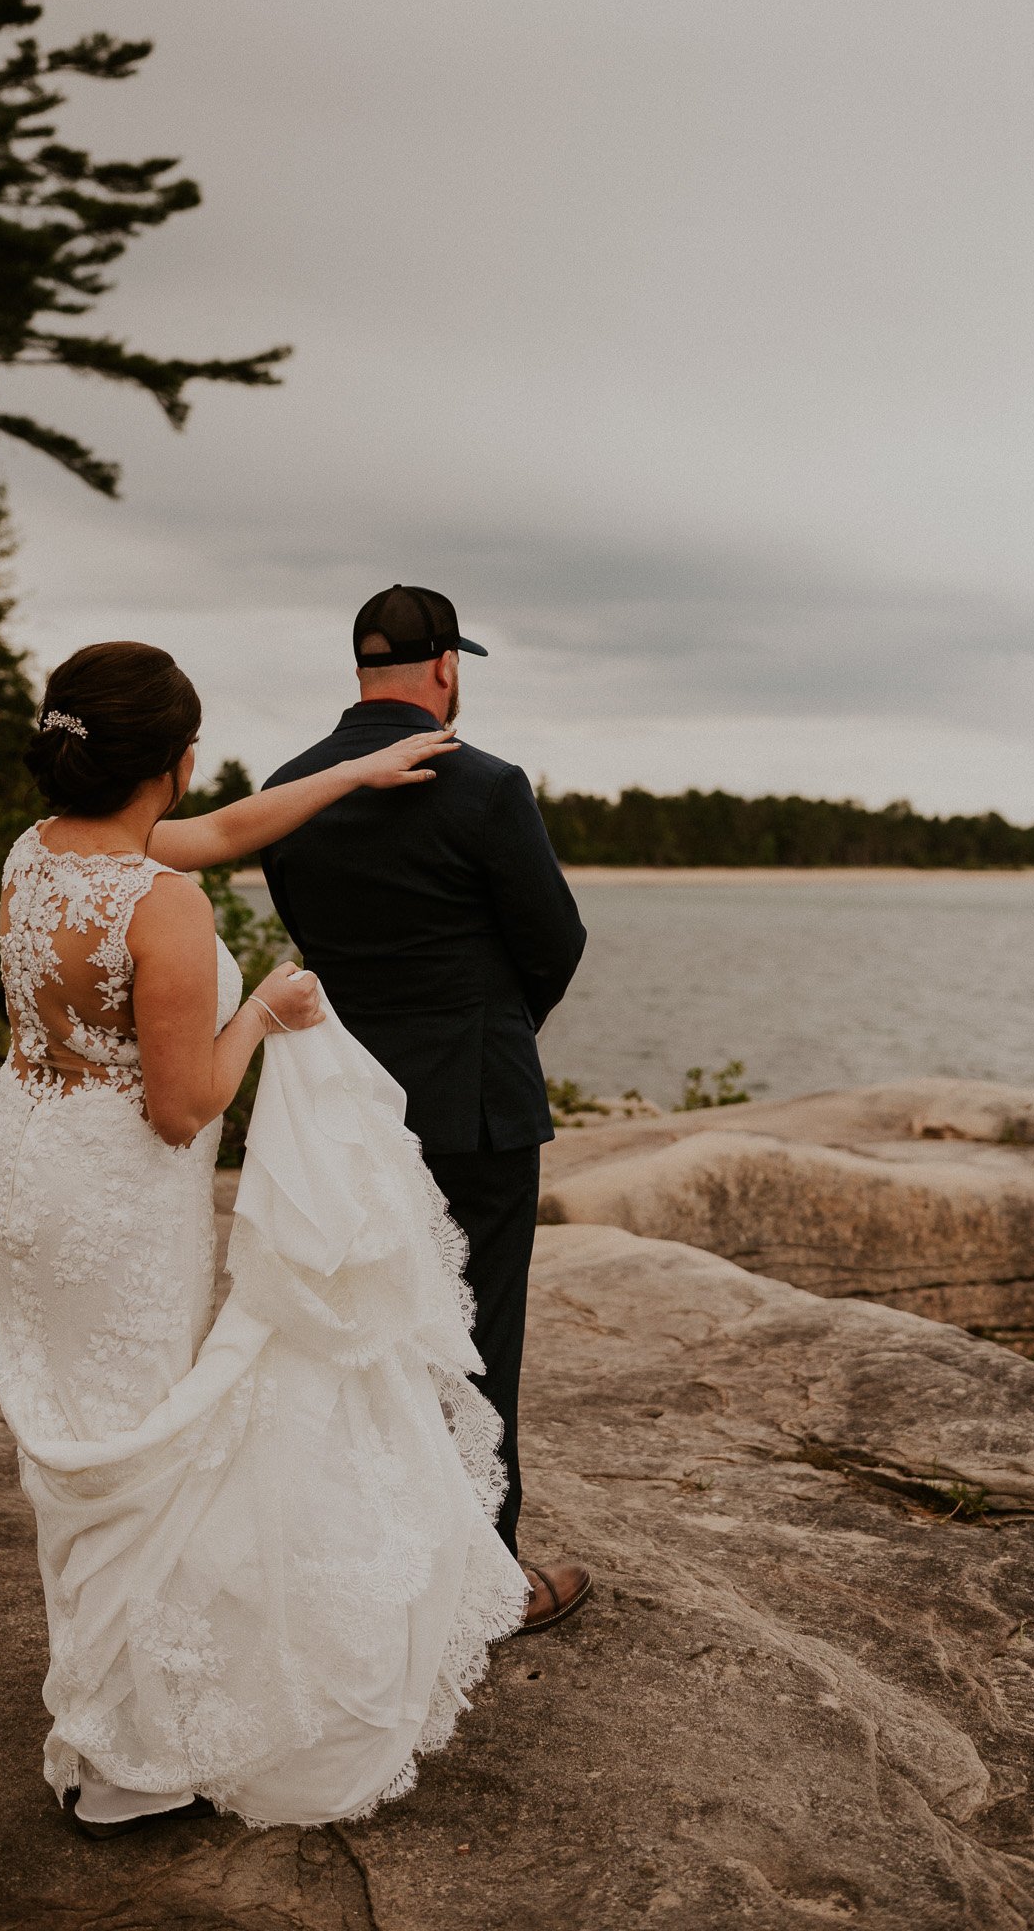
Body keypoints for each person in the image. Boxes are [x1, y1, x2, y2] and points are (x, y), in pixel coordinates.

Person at [0, 639, 529, 1837]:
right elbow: (182, 1109)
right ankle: (125, 1752)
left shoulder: (39, 853)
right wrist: (266, 1009)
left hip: (26, 1167)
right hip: (114, 1198)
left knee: (80, 1435)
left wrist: (353, 771)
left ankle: (99, 1707)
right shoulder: (157, 904)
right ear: (173, 757)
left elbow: (225, 828)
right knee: (141, 1446)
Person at [260, 586, 591, 1631]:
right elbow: (556, 940)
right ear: (446, 666)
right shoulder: (486, 785)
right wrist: (492, 1027)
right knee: (479, 1327)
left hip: (346, 1099)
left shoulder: (286, 788)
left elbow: (316, 937)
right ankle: (484, 1578)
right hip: (474, 1103)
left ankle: (366, 1554)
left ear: (361, 670)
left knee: (361, 1326)